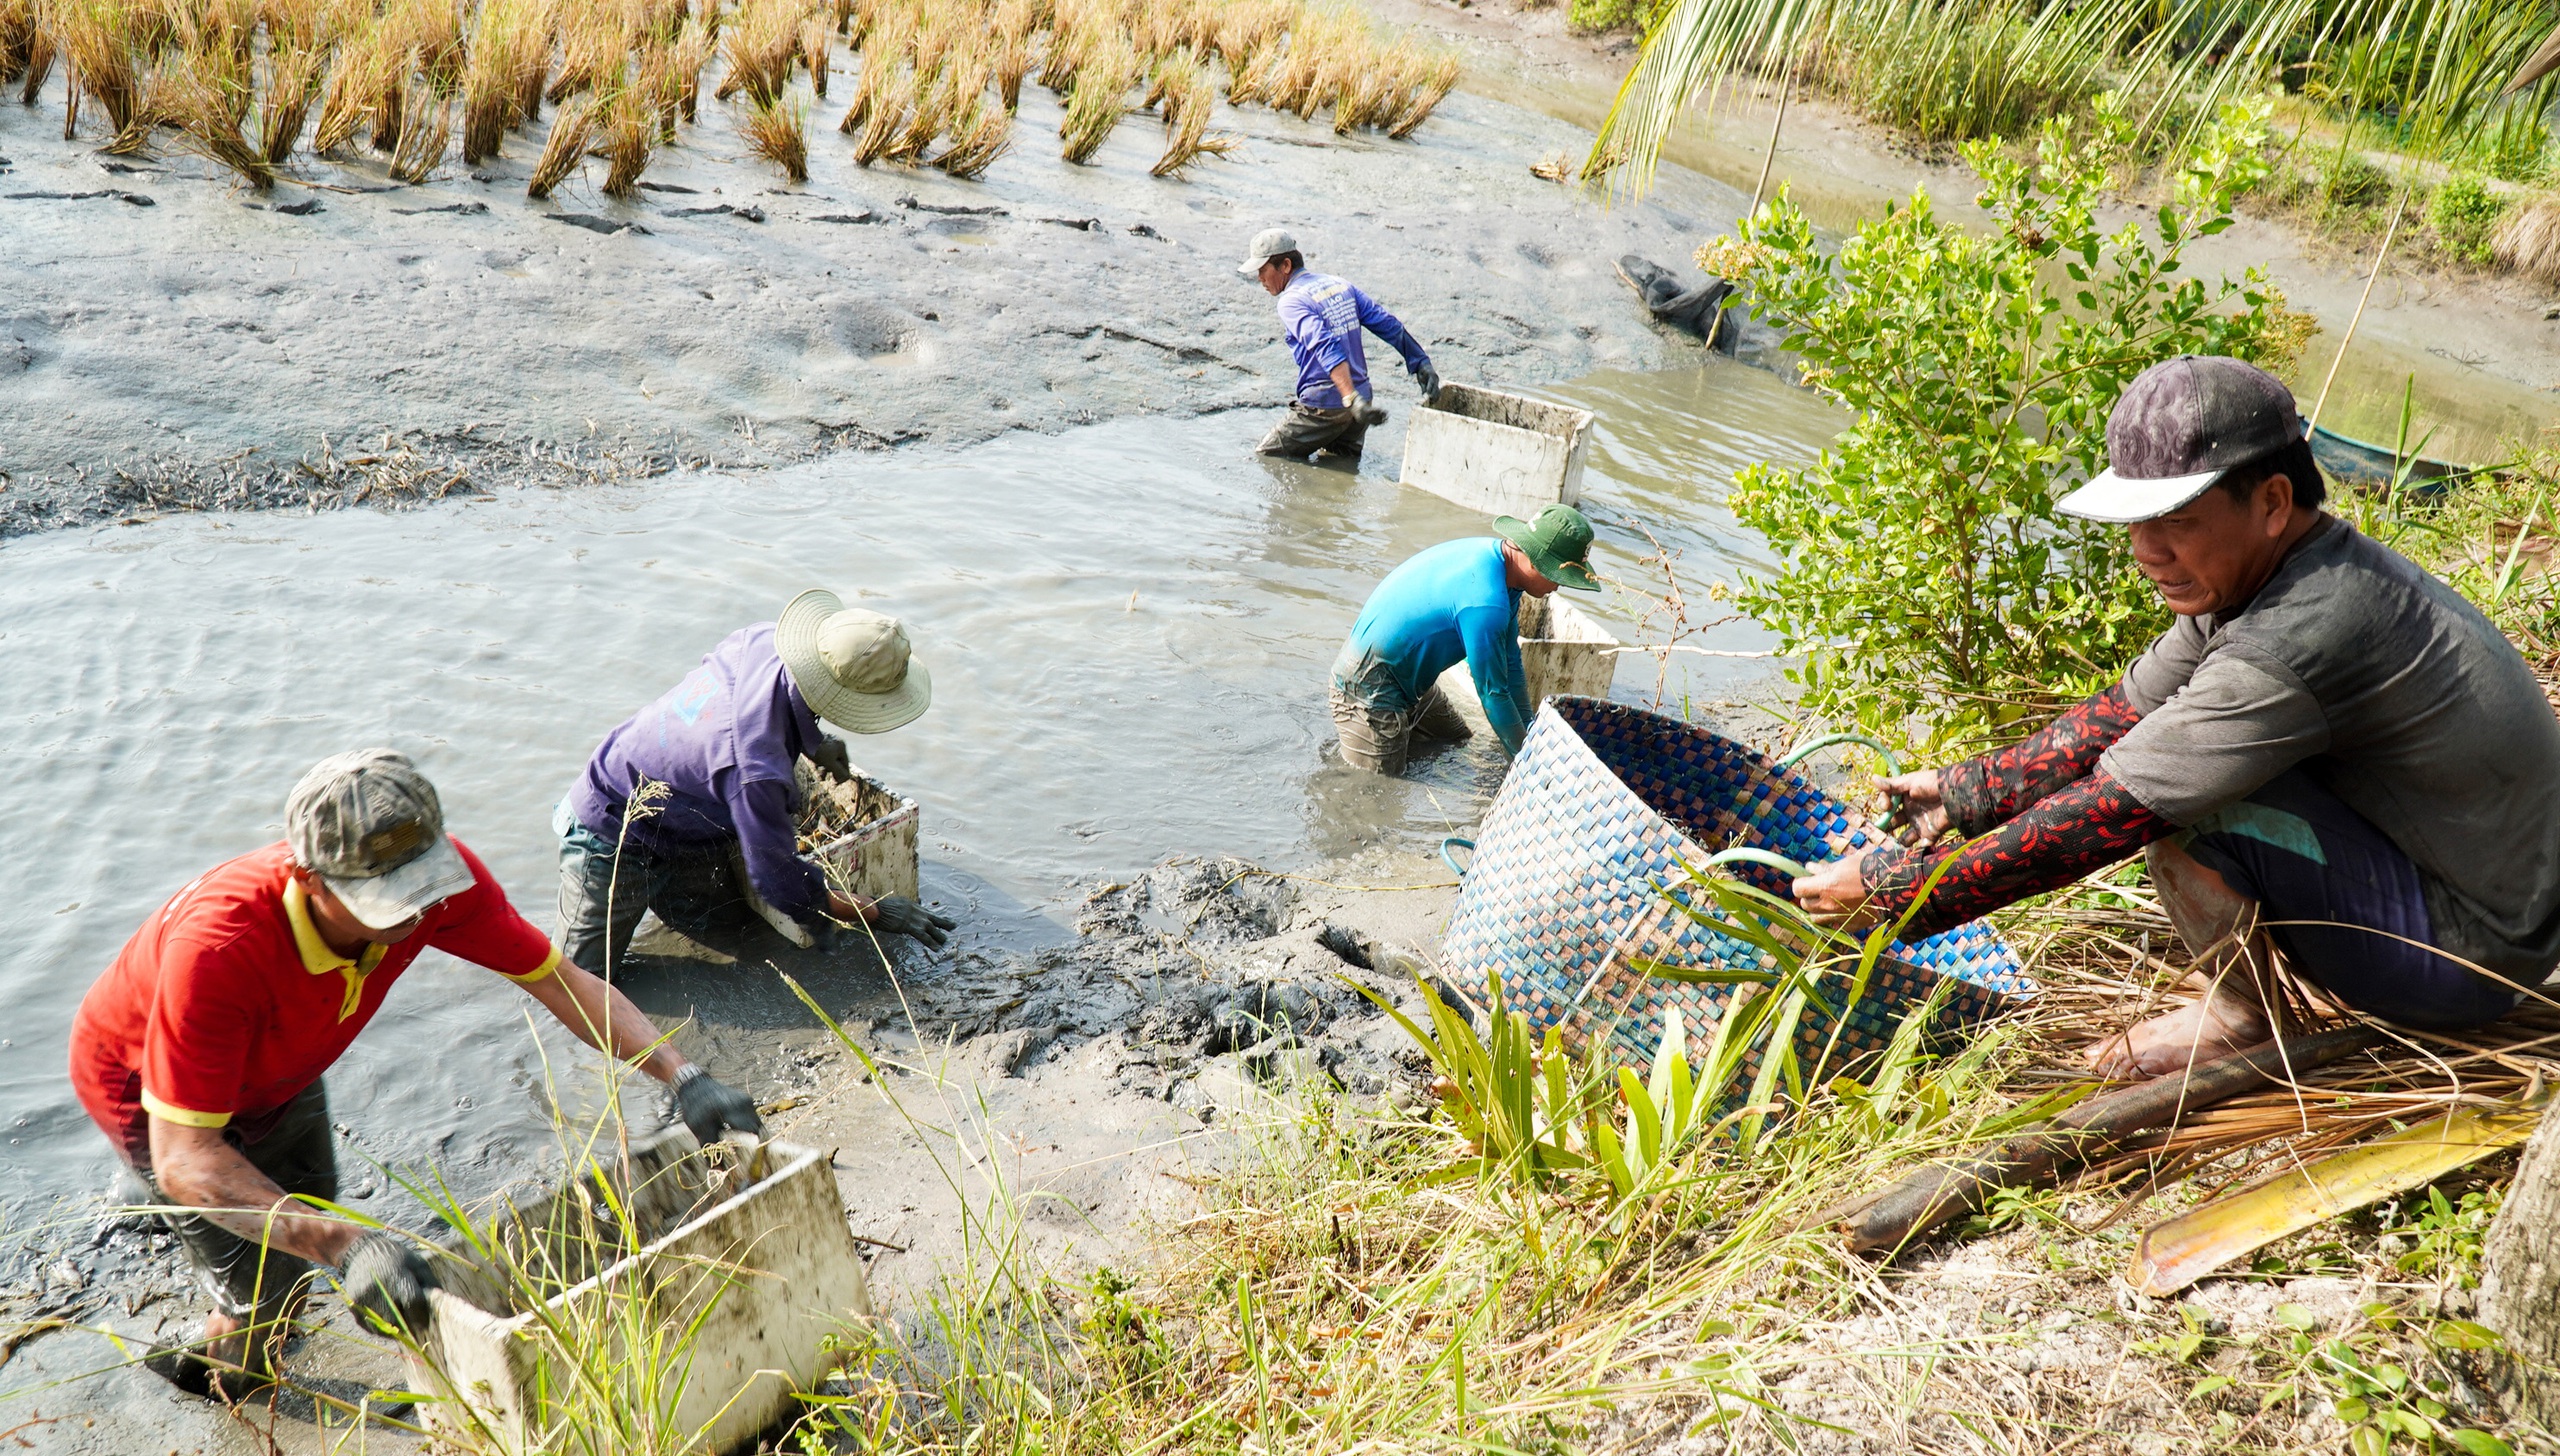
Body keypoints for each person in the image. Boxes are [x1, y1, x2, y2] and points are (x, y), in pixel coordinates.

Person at [1786, 355, 2560, 1077]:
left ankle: (2241, 1016)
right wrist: (1960, 794)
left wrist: (1897, 891)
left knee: (2188, 799)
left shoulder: (2305, 632)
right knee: (2168, 757)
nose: (2146, 551)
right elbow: (2122, 714)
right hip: (2476, 894)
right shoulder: (2273, 576)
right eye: (2136, 521)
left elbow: (2112, 813)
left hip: (2473, 958)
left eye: (2176, 521)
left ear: (2271, 502)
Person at [68, 749, 762, 1398]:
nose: (414, 914)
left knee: (313, 1193)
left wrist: (682, 1076)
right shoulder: (219, 950)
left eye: (420, 888)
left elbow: (561, 982)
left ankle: (167, 1220)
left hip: (283, 1056)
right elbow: (187, 1154)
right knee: (258, 1280)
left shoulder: (440, 888)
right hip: (146, 1081)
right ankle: (223, 1375)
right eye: (385, 902)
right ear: (306, 879)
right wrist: (347, 1246)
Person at [558, 589, 956, 972]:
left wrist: (813, 742)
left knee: (730, 932)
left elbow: (754, 707)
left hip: (687, 815)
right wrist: (875, 910)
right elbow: (778, 880)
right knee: (578, 986)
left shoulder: (761, 639)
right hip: (612, 828)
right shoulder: (756, 771)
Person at [1331, 504, 1602, 775]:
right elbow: (1492, 693)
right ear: (1535, 561)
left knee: (1456, 740)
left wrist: (1530, 735)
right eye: (1558, 578)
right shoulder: (1486, 604)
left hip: (1409, 679)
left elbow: (1511, 666)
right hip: (1368, 686)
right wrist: (1528, 767)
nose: (1556, 587)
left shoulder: (1504, 570)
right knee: (1380, 792)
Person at [1238, 227, 1441, 464]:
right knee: (1340, 467)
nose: (1259, 278)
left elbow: (1325, 345)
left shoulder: (1291, 301)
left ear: (1285, 266)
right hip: (1361, 402)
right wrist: (1420, 362)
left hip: (1327, 406)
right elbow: (1387, 323)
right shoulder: (1339, 284)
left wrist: (1349, 397)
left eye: (1262, 270)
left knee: (1267, 458)